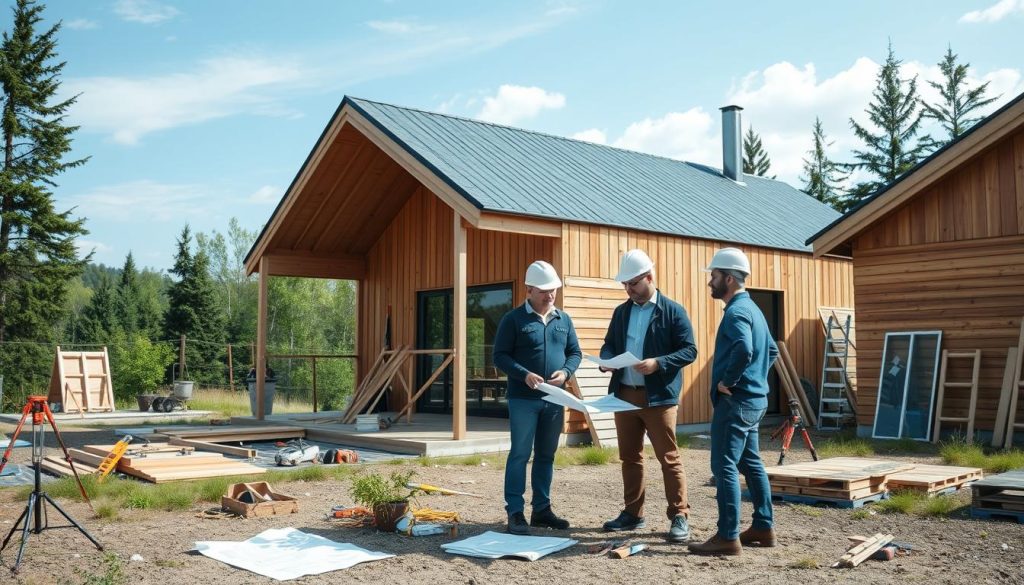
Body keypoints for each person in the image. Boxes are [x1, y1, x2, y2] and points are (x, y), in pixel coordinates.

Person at [598, 249, 697, 543]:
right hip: (625, 394)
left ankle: (679, 516)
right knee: (630, 457)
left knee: (668, 458)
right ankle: (633, 514)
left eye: (633, 284)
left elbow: (689, 350)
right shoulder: (622, 311)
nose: (628, 290)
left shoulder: (673, 310)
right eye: (625, 285)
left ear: (650, 278)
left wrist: (659, 363)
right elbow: (609, 345)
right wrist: (606, 360)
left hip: (659, 398)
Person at [689, 247, 778, 556]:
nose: (709, 282)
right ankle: (763, 527)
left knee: (723, 464)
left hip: (737, 402)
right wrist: (755, 380)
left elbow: (744, 348)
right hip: (754, 401)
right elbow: (772, 352)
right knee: (750, 462)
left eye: (713, 276)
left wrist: (730, 380)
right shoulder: (754, 310)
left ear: (728, 278)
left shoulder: (738, 312)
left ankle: (727, 536)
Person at [493, 260, 583, 535]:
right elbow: (500, 356)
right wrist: (524, 374)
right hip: (523, 399)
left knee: (547, 455)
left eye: (553, 289)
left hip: (555, 399)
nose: (550, 294)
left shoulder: (563, 319)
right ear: (529, 289)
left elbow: (575, 353)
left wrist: (566, 372)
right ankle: (515, 512)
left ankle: (542, 510)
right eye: (544, 290)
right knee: (520, 454)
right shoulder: (513, 319)